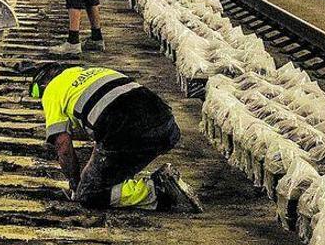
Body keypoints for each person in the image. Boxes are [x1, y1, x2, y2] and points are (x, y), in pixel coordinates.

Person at [30, 63, 202, 211]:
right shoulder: (93, 72)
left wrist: (76, 184)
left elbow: (63, 147)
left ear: (43, 85)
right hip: (167, 127)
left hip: (129, 130)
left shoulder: (52, 91)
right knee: (111, 159)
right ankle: (150, 180)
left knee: (89, 195)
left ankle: (158, 190)